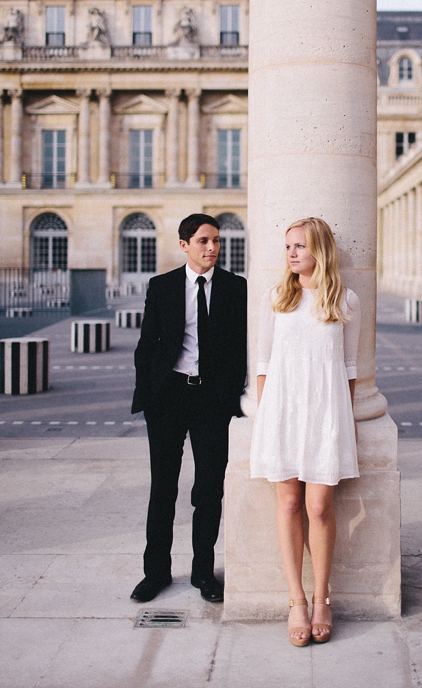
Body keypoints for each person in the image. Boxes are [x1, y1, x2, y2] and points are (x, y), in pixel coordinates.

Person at [250, 217, 360, 645]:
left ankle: (322, 597)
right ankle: (296, 599)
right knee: (291, 502)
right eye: (288, 246)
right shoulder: (277, 296)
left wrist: (343, 420)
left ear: (321, 250)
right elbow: (262, 362)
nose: (292, 253)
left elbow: (350, 368)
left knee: (318, 506)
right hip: (282, 410)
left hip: (325, 414)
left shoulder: (345, 299)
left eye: (300, 246)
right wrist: (266, 416)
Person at [130, 214, 247, 604]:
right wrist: (148, 393)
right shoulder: (161, 286)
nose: (212, 248)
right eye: (203, 241)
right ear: (184, 245)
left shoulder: (235, 288)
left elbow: (239, 349)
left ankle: (203, 573)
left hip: (212, 401)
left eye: (216, 241)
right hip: (168, 398)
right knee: (163, 486)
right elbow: (148, 345)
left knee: (209, 488)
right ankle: (156, 573)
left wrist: (232, 398)